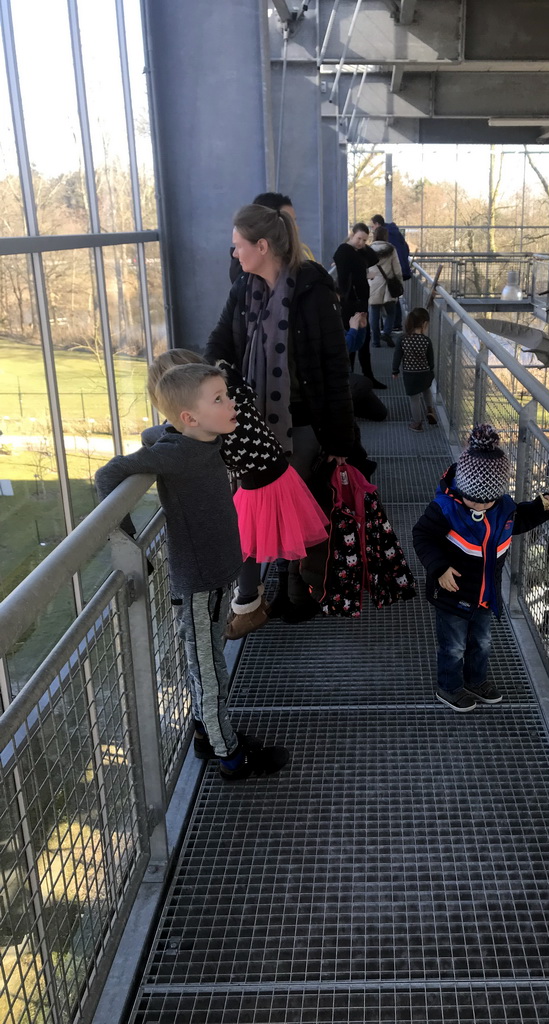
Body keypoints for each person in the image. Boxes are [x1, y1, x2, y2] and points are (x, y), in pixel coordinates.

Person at [94, 361, 289, 779]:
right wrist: (126, 540)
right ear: (191, 417)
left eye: (226, 394)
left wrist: (171, 426)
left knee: (209, 664)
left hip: (218, 580)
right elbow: (109, 473)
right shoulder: (179, 452)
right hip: (200, 587)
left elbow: (156, 433)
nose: (231, 401)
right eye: (219, 398)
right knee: (210, 674)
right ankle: (232, 760)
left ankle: (207, 736)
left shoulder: (201, 438)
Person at [206, 203, 356, 623]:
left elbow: (334, 369)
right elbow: (218, 343)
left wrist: (342, 441)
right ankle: (256, 598)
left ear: (262, 245)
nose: (233, 254)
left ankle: (299, 592)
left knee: (302, 503)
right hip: (251, 426)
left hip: (304, 422)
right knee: (255, 506)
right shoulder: (242, 289)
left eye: (238, 246)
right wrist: (220, 377)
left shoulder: (314, 290)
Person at [146, 349, 330, 640]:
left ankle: (249, 606)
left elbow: (168, 436)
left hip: (261, 486)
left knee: (243, 546)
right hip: (274, 474)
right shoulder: (226, 389)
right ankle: (274, 596)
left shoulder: (207, 416)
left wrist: (152, 437)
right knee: (273, 540)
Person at [412, 424, 549, 713]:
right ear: (461, 487)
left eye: (487, 500)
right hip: (452, 593)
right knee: (453, 646)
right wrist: (439, 568)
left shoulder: (501, 507)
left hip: (485, 594)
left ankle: (476, 680)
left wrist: (543, 508)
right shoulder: (446, 509)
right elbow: (422, 536)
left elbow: (518, 520)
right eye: (474, 499)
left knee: (482, 641)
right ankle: (450, 687)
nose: (480, 506)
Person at [333, 223, 387, 389]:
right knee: (352, 338)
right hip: (349, 302)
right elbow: (345, 273)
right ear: (351, 235)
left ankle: (367, 376)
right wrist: (362, 269)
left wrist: (363, 247)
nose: (361, 243)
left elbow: (373, 258)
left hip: (361, 301)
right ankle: (349, 378)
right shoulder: (344, 251)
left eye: (364, 240)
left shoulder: (359, 251)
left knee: (364, 339)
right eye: (358, 239)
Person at [229, 191, 314, 282]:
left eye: (293, 221)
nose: (295, 228)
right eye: (286, 221)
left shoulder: (312, 280)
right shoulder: (243, 283)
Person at [392, 307, 436, 432]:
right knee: (426, 389)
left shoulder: (403, 339)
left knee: (414, 398)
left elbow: (397, 356)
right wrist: (431, 371)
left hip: (410, 374)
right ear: (424, 324)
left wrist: (395, 370)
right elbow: (430, 359)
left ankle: (417, 423)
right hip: (425, 372)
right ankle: (430, 410)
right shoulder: (426, 341)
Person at [371, 213, 411, 331]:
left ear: (377, 225)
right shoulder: (395, 234)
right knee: (393, 299)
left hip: (376, 281)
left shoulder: (371, 248)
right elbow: (405, 250)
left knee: (375, 309)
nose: (372, 229)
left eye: (372, 226)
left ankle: (376, 337)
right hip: (393, 274)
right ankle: (392, 327)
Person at [367, 225, 403, 348]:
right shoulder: (391, 249)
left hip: (373, 284)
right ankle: (387, 332)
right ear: (385, 236)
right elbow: (397, 269)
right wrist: (399, 282)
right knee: (391, 312)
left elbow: (365, 268)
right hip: (388, 284)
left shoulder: (368, 249)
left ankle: (375, 341)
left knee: (374, 313)